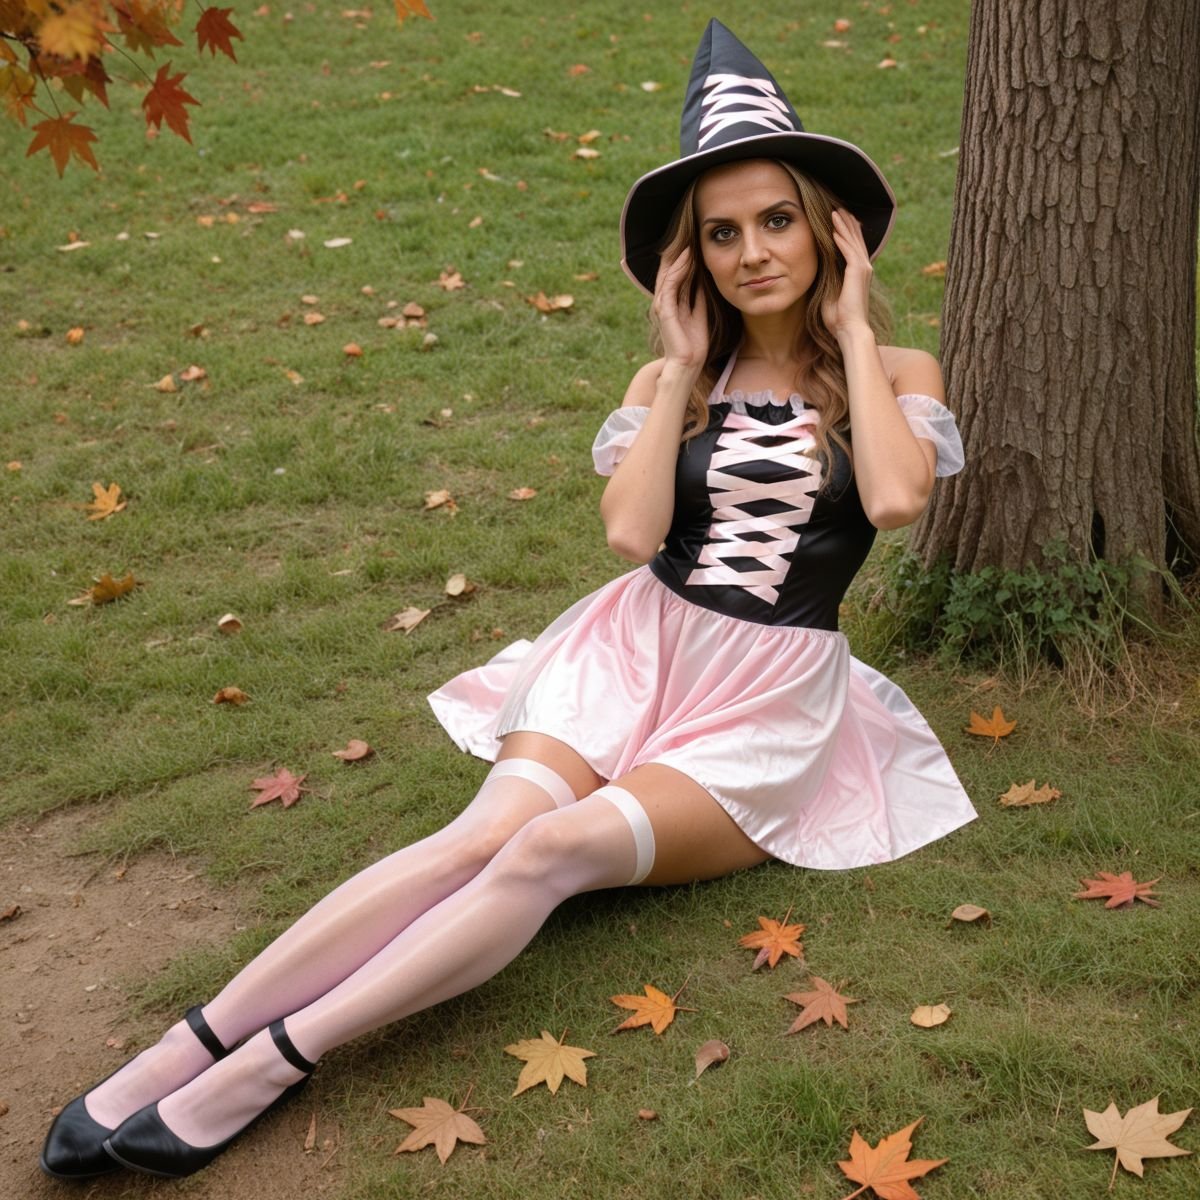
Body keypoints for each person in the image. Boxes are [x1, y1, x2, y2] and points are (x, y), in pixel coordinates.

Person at [40, 19, 975, 1181]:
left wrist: (852, 326)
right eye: (722, 233)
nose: (752, 253)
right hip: (636, 650)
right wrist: (681, 367)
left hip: (766, 701)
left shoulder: (896, 373)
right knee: (480, 835)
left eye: (777, 221)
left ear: (829, 230)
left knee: (551, 849)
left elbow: (894, 499)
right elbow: (632, 534)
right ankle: (188, 1042)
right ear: (692, 258)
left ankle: (272, 1061)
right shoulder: (670, 376)